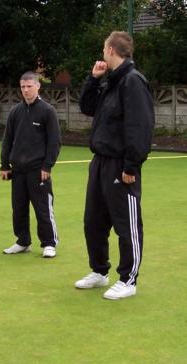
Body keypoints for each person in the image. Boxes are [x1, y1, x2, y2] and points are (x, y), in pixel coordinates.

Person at [76, 31, 155, 300]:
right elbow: (87, 108)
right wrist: (93, 78)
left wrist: (131, 166)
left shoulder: (133, 82)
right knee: (93, 221)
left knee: (126, 223)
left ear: (111, 50)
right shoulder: (110, 81)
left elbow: (140, 126)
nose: (102, 54)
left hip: (121, 164)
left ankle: (128, 279)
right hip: (99, 162)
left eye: (103, 49)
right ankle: (99, 272)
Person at [0, 71, 61, 258]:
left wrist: (47, 166)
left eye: (29, 86)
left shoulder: (47, 111)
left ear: (37, 86)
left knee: (43, 208)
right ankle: (22, 241)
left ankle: (49, 243)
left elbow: (54, 142)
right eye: (23, 87)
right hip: (18, 170)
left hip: (38, 170)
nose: (26, 90)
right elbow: (7, 140)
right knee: (18, 209)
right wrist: (4, 165)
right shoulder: (15, 112)